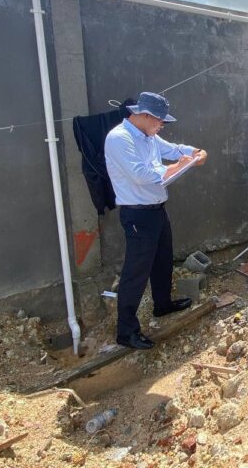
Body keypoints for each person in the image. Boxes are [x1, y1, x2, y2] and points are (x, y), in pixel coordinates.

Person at [105, 92, 208, 350]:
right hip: (137, 213)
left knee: (163, 260)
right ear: (145, 115)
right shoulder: (120, 138)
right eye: (160, 121)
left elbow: (172, 149)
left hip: (156, 209)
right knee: (136, 271)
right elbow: (141, 175)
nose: (162, 125)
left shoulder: (149, 135)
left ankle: (162, 304)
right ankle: (126, 331)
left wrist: (194, 152)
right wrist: (177, 167)